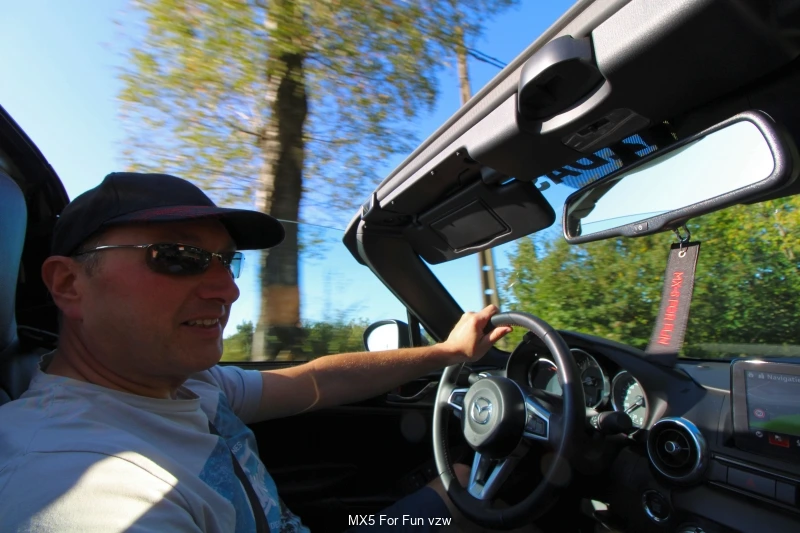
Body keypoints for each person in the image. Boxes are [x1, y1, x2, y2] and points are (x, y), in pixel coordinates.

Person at [0, 172, 512, 532]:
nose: (228, 290)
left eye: (226, 262)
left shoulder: (188, 384)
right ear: (68, 284)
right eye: (179, 256)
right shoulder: (72, 478)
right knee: (473, 498)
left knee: (459, 486)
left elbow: (317, 381)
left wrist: (448, 351)